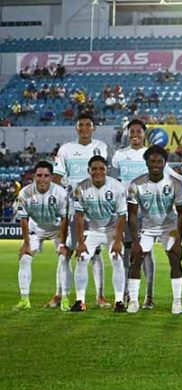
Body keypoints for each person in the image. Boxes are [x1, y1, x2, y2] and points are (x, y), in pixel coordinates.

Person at [52, 113, 109, 309]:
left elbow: (103, 175)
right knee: (66, 251)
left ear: (93, 128)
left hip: (95, 208)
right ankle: (59, 294)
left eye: (88, 125)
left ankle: (100, 296)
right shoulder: (66, 149)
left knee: (96, 253)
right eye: (81, 125)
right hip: (72, 207)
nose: (84, 128)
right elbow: (57, 177)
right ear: (76, 128)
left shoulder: (101, 147)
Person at [127, 145, 182, 314]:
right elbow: (132, 215)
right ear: (146, 163)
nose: (155, 165)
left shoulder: (174, 183)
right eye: (152, 161)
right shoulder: (136, 184)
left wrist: (178, 241)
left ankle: (177, 301)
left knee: (174, 258)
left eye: (159, 162)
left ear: (164, 163)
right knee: (136, 258)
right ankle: (133, 301)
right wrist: (135, 242)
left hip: (169, 227)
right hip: (147, 227)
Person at [110, 119, 158, 309]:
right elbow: (114, 181)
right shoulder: (120, 155)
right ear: (128, 134)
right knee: (126, 251)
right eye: (132, 131)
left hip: (146, 212)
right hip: (126, 210)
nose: (135, 134)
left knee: (146, 252)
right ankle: (126, 293)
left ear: (144, 134)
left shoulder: (151, 155)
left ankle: (149, 295)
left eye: (139, 131)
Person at [71, 156, 127, 312]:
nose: (98, 172)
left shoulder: (117, 187)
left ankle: (119, 301)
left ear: (107, 170)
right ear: (88, 170)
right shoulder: (80, 188)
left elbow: (122, 216)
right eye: (94, 169)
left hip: (112, 230)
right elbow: (79, 217)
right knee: (82, 258)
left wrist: (117, 240)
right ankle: (80, 301)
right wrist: (80, 242)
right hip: (92, 230)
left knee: (116, 258)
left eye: (101, 168)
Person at [13, 161, 71, 311]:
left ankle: (64, 298)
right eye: (39, 175)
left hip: (56, 229)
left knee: (64, 258)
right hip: (36, 228)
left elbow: (65, 219)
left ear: (51, 177)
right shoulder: (25, 193)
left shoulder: (60, 193)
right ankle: (24, 299)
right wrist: (26, 244)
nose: (42, 179)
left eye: (46, 176)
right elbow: (23, 219)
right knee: (25, 258)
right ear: (34, 176)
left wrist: (63, 244)